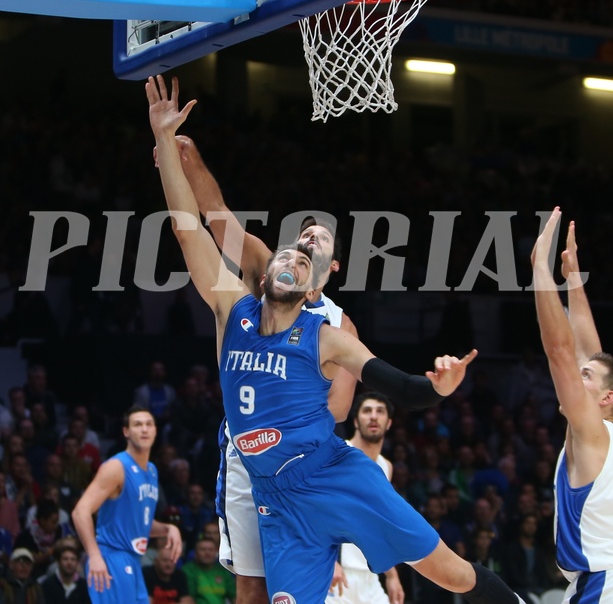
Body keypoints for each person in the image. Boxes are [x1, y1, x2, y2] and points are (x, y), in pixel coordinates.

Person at [147, 74, 527, 604]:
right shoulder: (232, 308)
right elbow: (193, 225)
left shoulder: (328, 335)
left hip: (331, 473)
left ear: (315, 285)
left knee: (451, 572)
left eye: (308, 255)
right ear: (261, 273)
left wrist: (439, 386)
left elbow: (395, 385)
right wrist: (166, 142)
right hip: (272, 494)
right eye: (288, 249)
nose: (294, 253)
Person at [152, 89, 358, 604]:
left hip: (303, 460)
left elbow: (337, 409)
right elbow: (215, 214)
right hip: (249, 449)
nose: (310, 238)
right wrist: (185, 153)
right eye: (305, 232)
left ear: (333, 269)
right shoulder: (265, 275)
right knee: (250, 588)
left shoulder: (339, 324)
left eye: (322, 238)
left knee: (293, 590)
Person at [532, 209, 613, 603]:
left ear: (606, 399)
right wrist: (574, 279)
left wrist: (539, 270)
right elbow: (588, 352)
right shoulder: (605, 431)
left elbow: (561, 351)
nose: (574, 385)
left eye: (587, 379)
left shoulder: (593, 432)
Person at [72, 406, 182, 604]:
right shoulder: (116, 467)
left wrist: (168, 528)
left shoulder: (152, 470)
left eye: (149, 424)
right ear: (126, 432)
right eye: (137, 425)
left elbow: (139, 524)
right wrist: (94, 555)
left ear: (156, 430)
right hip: (111, 558)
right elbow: (80, 512)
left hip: (132, 559)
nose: (144, 429)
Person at [326, 392, 404, 604]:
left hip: (370, 574)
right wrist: (330, 562)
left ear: (388, 423)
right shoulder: (338, 455)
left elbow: (379, 524)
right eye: (367, 411)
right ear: (355, 421)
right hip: (337, 572)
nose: (373, 416)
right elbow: (321, 511)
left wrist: (393, 576)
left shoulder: (385, 466)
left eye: (379, 412)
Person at [182, 537, 235, 604]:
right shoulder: (187, 571)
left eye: (211, 550)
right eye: (203, 549)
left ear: (216, 552)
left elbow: (234, 597)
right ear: (195, 553)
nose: (207, 553)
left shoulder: (223, 571)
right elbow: (188, 599)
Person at [41, 539, 90, 604]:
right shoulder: (47, 585)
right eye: (65, 559)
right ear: (58, 562)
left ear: (77, 562)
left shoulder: (84, 586)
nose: (69, 563)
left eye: (73, 559)